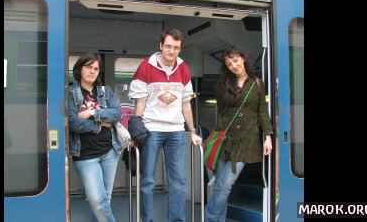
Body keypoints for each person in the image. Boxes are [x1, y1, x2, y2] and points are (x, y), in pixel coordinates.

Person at [128, 28, 203, 222]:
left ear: (180, 48)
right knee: (148, 181)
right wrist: (136, 133)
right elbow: (140, 103)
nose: (171, 51)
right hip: (151, 128)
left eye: (176, 48)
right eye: (168, 46)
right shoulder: (146, 66)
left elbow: (185, 104)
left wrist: (192, 131)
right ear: (161, 46)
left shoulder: (183, 68)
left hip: (176, 130)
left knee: (178, 181)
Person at [204, 46, 274, 222]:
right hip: (224, 139)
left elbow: (262, 112)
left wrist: (268, 137)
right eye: (229, 64)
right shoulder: (222, 86)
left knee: (225, 185)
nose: (233, 65)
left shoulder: (257, 84)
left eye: (235, 60)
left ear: (243, 59)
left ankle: (209, 218)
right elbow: (221, 110)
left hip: (246, 141)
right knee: (219, 185)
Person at [68, 53, 123, 222]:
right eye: (88, 67)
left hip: (109, 151)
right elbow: (73, 123)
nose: (92, 71)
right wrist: (100, 125)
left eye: (96, 69)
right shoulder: (70, 92)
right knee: (97, 201)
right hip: (85, 155)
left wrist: (92, 112)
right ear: (79, 69)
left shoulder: (106, 92)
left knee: (105, 200)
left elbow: (117, 114)